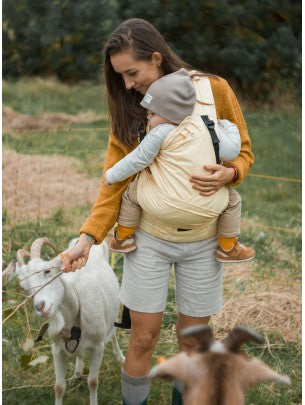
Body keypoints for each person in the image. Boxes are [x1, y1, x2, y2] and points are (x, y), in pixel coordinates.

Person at [61, 18, 254, 405]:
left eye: (133, 73)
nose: (128, 84)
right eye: (120, 77)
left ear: (156, 58)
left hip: (203, 243)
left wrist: (230, 173)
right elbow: (113, 184)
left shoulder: (213, 89)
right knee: (144, 337)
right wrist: (87, 238)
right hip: (148, 241)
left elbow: (244, 150)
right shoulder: (131, 108)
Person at [104, 68, 255, 263]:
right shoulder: (207, 128)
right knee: (232, 200)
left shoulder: (160, 132)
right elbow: (233, 151)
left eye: (151, 113)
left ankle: (123, 237)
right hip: (207, 205)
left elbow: (138, 159)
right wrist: (227, 126)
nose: (148, 117)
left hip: (163, 206)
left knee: (132, 191)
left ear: (168, 112)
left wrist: (111, 175)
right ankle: (227, 246)